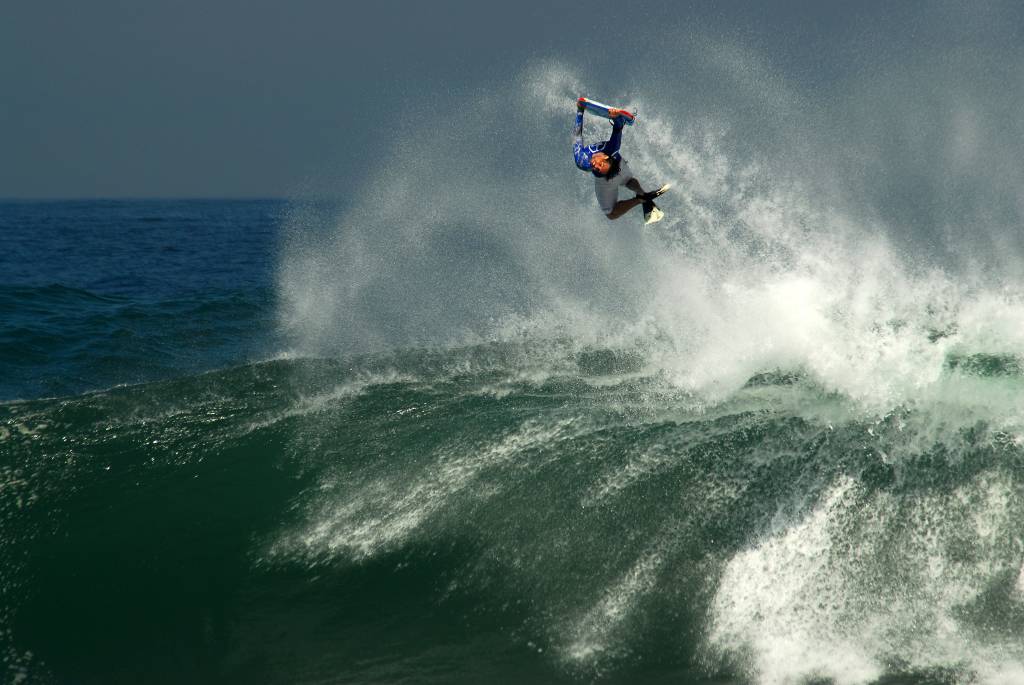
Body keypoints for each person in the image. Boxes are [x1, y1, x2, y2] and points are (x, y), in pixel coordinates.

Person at [572, 98, 666, 223]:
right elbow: (618, 127)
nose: (596, 166)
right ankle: (642, 198)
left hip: (617, 168)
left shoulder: (583, 161)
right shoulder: (609, 149)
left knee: (627, 182)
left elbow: (578, 135)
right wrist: (616, 118)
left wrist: (580, 111)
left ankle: (643, 197)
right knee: (612, 212)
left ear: (606, 157)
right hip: (609, 177)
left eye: (598, 167)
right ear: (605, 156)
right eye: (599, 166)